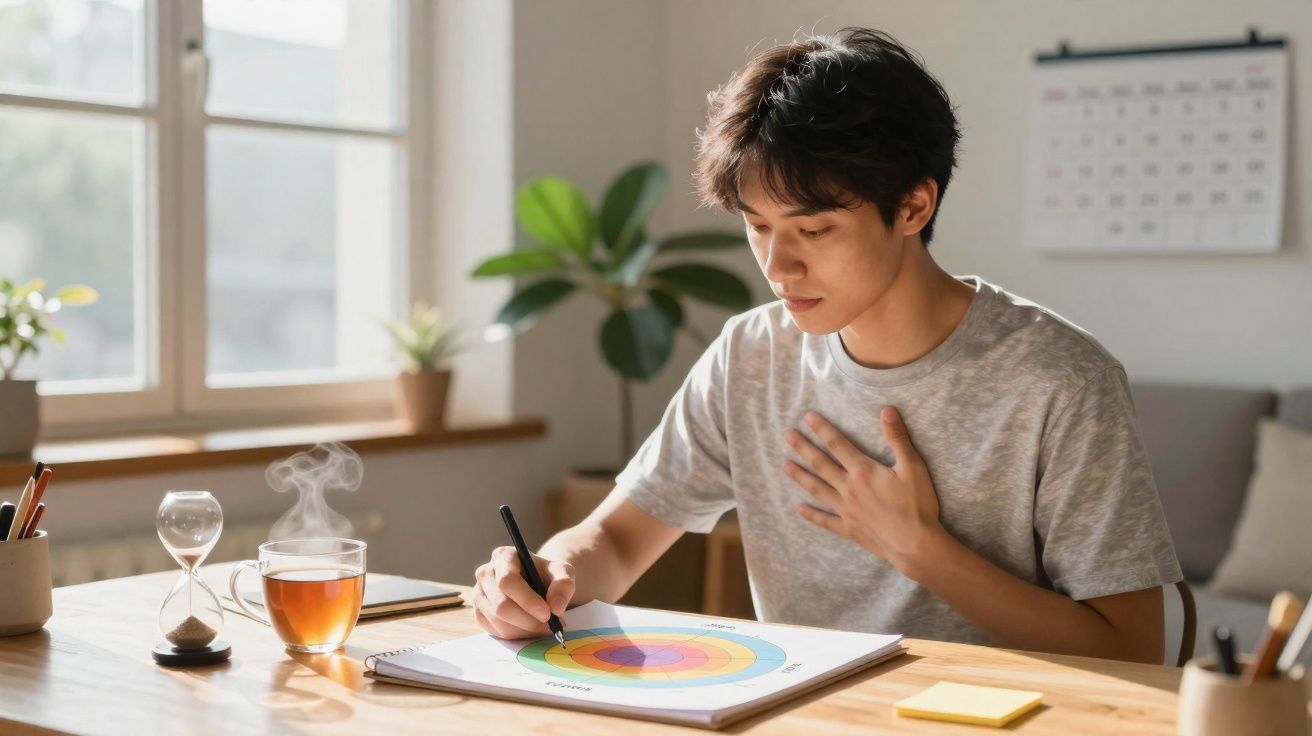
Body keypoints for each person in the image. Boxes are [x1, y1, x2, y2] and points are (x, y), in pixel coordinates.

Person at [472, 27, 1182, 664]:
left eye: (813, 231)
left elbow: (1134, 649)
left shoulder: (1058, 378)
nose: (778, 267)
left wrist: (922, 551)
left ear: (913, 206)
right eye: (757, 226)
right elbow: (619, 541)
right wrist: (545, 575)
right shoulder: (751, 355)